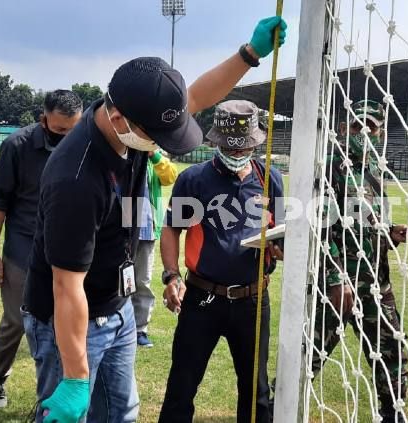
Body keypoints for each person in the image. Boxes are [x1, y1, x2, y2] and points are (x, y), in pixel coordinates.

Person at [21, 16, 287, 423]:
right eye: (158, 138)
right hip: (72, 318)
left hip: (116, 304)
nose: (164, 147)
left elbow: (196, 96)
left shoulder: (135, 119)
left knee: (121, 414)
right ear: (119, 121)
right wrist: (75, 377)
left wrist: (248, 55)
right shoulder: (75, 178)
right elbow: (65, 285)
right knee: (70, 414)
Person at [158, 100, 285, 423]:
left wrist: (279, 248)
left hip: (253, 300)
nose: (239, 152)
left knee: (256, 393)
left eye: (246, 147)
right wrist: (171, 275)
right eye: (231, 146)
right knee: (181, 387)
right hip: (202, 298)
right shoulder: (194, 179)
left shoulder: (269, 177)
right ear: (216, 141)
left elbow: (281, 234)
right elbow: (172, 230)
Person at [312, 99, 408, 422]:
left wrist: (391, 236)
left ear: (381, 132)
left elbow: (369, 230)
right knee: (312, 352)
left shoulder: (375, 171)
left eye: (372, 126)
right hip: (338, 285)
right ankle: (278, 407)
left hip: (375, 283)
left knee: (392, 352)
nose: (365, 131)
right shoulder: (330, 167)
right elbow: (320, 227)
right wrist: (334, 279)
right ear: (345, 128)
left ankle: (392, 414)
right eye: (358, 125)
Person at [0, 90, 83, 409]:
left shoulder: (86, 146)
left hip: (69, 253)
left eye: (74, 130)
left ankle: (59, 389)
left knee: (65, 322)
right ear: (43, 120)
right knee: (17, 319)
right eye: (59, 131)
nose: (67, 138)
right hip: (24, 249)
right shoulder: (17, 146)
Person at [134, 149, 178, 348]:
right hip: (121, 228)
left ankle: (140, 329)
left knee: (142, 281)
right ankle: (115, 327)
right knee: (117, 280)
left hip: (147, 228)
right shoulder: (121, 153)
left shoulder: (154, 157)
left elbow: (170, 176)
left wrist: (154, 154)